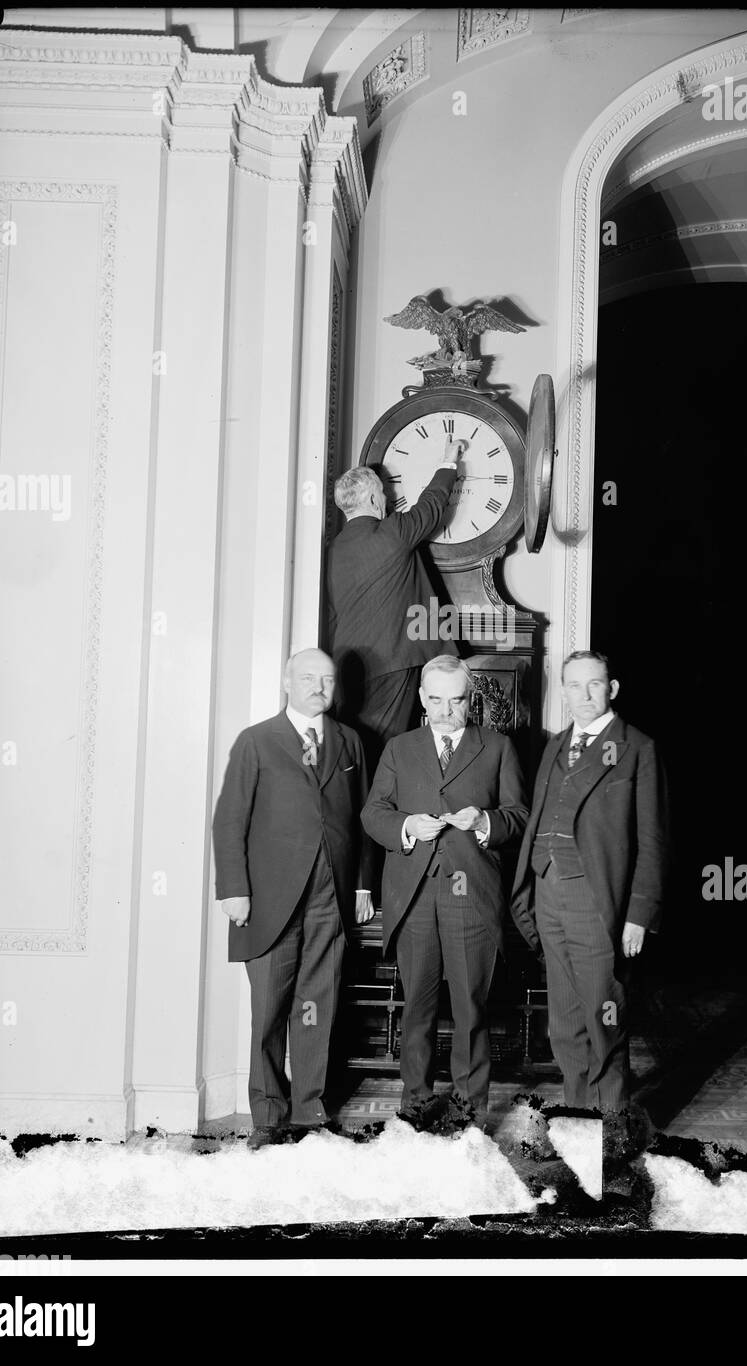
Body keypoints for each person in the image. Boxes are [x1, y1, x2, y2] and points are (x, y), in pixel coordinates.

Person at [212, 648, 374, 1148]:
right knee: (269, 1010)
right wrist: (234, 889)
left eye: (327, 680)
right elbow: (229, 820)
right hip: (270, 900)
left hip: (330, 895)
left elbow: (365, 818)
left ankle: (309, 1110)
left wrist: (363, 885)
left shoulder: (349, 741)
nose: (318, 688)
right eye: (307, 678)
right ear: (286, 682)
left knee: (316, 1005)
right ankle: (268, 1114)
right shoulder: (256, 741)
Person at [361, 655, 528, 1127]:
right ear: (422, 697)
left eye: (455, 700)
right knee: (417, 1007)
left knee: (471, 1008)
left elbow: (519, 817)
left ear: (470, 698)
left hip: (471, 896)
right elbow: (373, 813)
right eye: (435, 699)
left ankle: (468, 1115)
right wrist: (407, 826)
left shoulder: (498, 747)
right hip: (414, 896)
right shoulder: (398, 748)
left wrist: (484, 821)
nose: (445, 710)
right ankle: (415, 1107)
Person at [510, 651, 667, 1112]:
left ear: (611, 689)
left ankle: (611, 1127)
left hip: (597, 900)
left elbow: (653, 840)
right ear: (563, 691)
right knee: (565, 1022)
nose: (584, 694)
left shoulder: (637, 747)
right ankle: (577, 1118)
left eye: (594, 684)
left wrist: (639, 914)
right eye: (574, 685)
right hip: (548, 892)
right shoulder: (556, 745)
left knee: (604, 1016)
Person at [325, 441, 461, 756]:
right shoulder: (392, 532)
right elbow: (431, 506)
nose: (387, 499)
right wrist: (448, 462)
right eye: (384, 493)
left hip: (346, 669)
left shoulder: (331, 551)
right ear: (374, 499)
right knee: (384, 752)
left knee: (354, 750)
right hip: (392, 663)